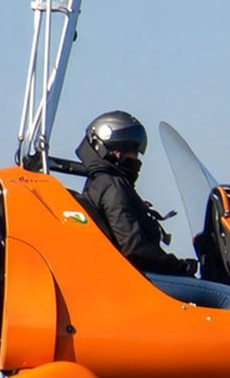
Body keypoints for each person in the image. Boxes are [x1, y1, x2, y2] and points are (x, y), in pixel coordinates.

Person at [75, 111, 198, 277]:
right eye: (129, 150)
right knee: (225, 297)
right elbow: (134, 248)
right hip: (136, 277)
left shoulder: (104, 184)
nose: (135, 158)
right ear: (108, 149)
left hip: (134, 275)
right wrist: (179, 267)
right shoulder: (112, 187)